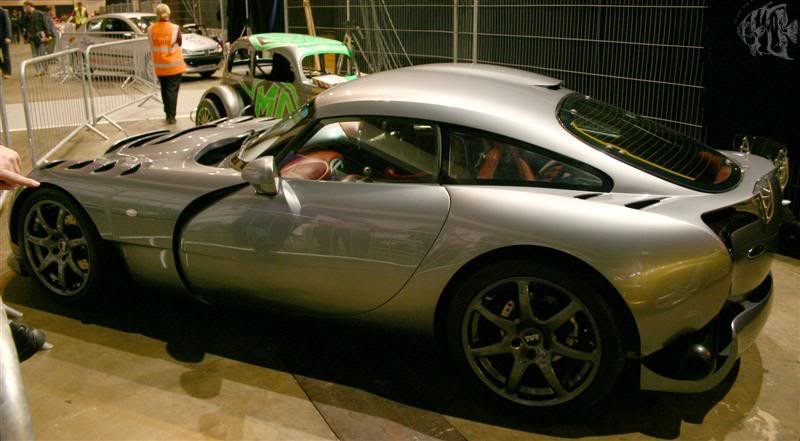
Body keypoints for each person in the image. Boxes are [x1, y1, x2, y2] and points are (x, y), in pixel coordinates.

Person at [148, 4, 186, 124]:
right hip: (174, 66)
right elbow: (180, 42)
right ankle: (171, 116)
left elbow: (151, 44)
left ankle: (167, 113)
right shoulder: (174, 28)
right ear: (168, 13)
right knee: (172, 91)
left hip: (160, 66)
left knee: (164, 90)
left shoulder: (151, 29)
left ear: (157, 14)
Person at [0, 7, 11, 79]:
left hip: (3, 38)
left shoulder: (2, 12)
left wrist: (8, 36)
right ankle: (3, 69)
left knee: (6, 55)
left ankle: (8, 72)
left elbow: (7, 25)